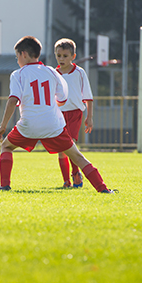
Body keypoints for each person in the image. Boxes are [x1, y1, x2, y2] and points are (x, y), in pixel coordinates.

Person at [0, 35, 115, 193]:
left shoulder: (18, 74)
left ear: (23, 54)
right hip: (53, 125)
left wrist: (3, 126)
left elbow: (12, 100)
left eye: (17, 57)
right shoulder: (52, 72)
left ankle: (4, 185)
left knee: (6, 146)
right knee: (77, 157)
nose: (18, 61)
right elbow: (62, 99)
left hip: (28, 125)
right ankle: (103, 189)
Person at [54, 38, 94, 188]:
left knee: (69, 145)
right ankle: (66, 181)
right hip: (58, 115)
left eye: (65, 56)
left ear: (73, 56)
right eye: (59, 55)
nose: (61, 59)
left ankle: (75, 173)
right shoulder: (53, 74)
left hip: (75, 113)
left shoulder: (79, 72)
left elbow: (88, 96)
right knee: (61, 150)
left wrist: (89, 117)